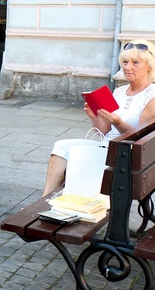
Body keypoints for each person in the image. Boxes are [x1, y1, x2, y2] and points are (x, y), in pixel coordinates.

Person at [42, 40, 155, 196]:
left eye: (135, 62)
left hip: (125, 155)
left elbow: (139, 139)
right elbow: (104, 130)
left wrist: (117, 121)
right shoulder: (119, 92)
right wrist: (94, 117)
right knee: (61, 147)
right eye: (125, 62)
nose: (128, 67)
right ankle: (45, 199)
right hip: (105, 146)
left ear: (149, 65)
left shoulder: (152, 95)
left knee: (74, 156)